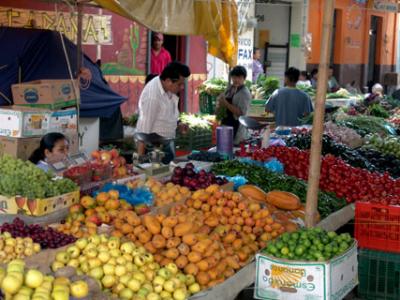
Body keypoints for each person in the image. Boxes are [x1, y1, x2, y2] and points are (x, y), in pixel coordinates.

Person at [136, 62, 191, 164]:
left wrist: (178, 124)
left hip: (166, 143)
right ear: (169, 81)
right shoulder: (152, 97)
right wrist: (140, 163)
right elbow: (143, 131)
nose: (182, 87)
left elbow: (166, 114)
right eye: (180, 84)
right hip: (153, 149)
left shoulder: (166, 87)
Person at [218, 66, 252, 144]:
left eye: (239, 77)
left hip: (237, 129)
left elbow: (241, 113)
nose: (236, 80)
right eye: (234, 77)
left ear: (244, 78)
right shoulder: (230, 89)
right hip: (226, 126)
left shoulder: (245, 93)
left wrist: (225, 103)